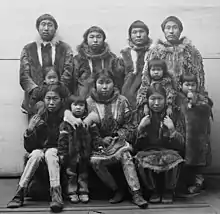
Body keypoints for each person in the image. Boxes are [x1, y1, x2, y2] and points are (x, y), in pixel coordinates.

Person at [85, 69, 148, 208]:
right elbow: (87, 126)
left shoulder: (121, 101)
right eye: (101, 83)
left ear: (114, 84)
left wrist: (117, 136)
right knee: (95, 161)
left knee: (125, 154)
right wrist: (100, 140)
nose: (105, 86)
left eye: (108, 82)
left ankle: (136, 192)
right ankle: (117, 189)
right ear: (95, 85)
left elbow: (130, 124)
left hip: (118, 140)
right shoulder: (89, 103)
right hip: (99, 144)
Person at [7, 84, 66, 212]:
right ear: (43, 100)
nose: (51, 103)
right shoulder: (39, 116)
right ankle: (19, 193)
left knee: (50, 153)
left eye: (54, 99)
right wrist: (29, 130)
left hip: (56, 151)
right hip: (39, 151)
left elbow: (66, 143)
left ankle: (56, 195)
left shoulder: (65, 116)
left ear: (61, 100)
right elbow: (29, 147)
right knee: (35, 155)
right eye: (48, 99)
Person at [134, 83, 185, 204]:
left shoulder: (174, 113)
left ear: (166, 100)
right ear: (147, 100)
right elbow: (133, 144)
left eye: (160, 99)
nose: (156, 103)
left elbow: (183, 144)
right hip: (148, 150)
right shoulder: (140, 114)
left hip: (168, 150)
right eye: (153, 99)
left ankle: (168, 191)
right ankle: (153, 191)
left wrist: (172, 130)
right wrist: (140, 128)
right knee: (141, 159)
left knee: (174, 158)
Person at [20, 13, 74, 116]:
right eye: (43, 24)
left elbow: (68, 71)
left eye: (50, 25)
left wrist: (57, 90)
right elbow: (24, 75)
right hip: (34, 99)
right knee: (36, 128)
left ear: (55, 28)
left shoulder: (65, 48)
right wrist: (37, 91)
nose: (46, 28)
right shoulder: (28, 49)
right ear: (38, 28)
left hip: (59, 98)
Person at [141, 16, 205, 93]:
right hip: (161, 97)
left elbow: (198, 78)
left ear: (180, 30)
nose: (171, 31)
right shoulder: (155, 52)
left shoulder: (191, 52)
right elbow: (146, 77)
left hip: (185, 97)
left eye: (175, 28)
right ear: (164, 31)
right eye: (168, 28)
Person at [176, 73, 212, 195]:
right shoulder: (177, 98)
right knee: (183, 161)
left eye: (193, 85)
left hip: (197, 137)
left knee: (197, 162)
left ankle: (198, 182)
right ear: (181, 85)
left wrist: (195, 102)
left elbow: (207, 108)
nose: (190, 88)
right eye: (187, 85)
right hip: (182, 134)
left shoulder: (202, 98)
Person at [58, 96, 92, 204]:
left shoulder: (88, 122)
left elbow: (95, 136)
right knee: (71, 174)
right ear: (70, 107)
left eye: (81, 105)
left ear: (85, 108)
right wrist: (62, 153)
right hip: (71, 154)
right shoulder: (65, 124)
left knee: (83, 173)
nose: (78, 108)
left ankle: (83, 191)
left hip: (84, 154)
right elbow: (62, 140)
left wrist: (98, 146)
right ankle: (72, 192)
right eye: (75, 105)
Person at [73, 26, 124, 98]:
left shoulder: (111, 58)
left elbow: (117, 81)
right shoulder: (78, 59)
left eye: (99, 37)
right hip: (84, 99)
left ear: (103, 39)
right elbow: (73, 82)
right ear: (86, 40)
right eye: (91, 37)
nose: (95, 40)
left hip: (106, 99)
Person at [120, 20, 153, 109]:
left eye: (141, 32)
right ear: (130, 36)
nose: (138, 35)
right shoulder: (124, 55)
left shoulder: (154, 53)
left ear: (147, 34)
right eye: (134, 32)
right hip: (126, 98)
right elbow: (117, 79)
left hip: (148, 98)